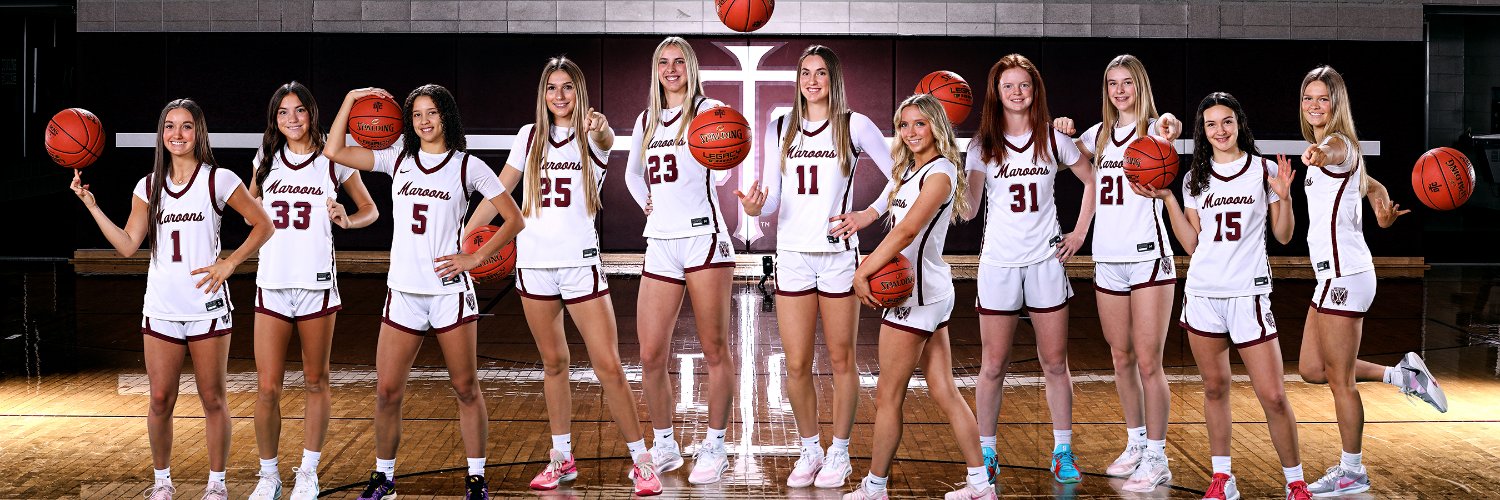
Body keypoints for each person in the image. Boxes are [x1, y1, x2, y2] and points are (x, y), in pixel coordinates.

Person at [464, 56, 662, 496]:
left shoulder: (593, 134)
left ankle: (642, 461)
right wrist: (465, 240)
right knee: (553, 365)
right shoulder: (528, 136)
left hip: (578, 262)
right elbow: (499, 192)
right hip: (533, 264)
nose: (559, 95)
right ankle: (562, 457)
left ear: (580, 92)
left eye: (567, 87)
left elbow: (606, 138)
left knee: (608, 365)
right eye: (552, 87)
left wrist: (601, 128)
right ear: (543, 93)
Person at [324, 84, 524, 500]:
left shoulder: (468, 166)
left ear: (446, 115)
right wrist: (350, 99)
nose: (424, 121)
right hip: (404, 292)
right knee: (386, 391)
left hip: (449, 292)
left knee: (466, 388)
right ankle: (384, 477)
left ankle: (476, 477)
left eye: (432, 112)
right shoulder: (397, 157)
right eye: (416, 114)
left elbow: (514, 219)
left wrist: (474, 257)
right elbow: (334, 151)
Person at [70, 98, 275, 500]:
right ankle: (162, 482)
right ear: (160, 134)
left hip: (206, 307)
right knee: (160, 399)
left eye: (185, 126)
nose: (177, 134)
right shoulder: (147, 186)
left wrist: (230, 263)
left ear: (199, 132)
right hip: (162, 307)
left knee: (212, 398)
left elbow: (263, 224)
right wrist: (92, 206)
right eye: (169, 126)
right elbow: (128, 245)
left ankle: (216, 484)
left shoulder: (219, 180)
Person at [1132, 92, 1311, 500]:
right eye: (1211, 124)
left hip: (1248, 294)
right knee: (1214, 388)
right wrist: (1168, 200)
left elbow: (1284, 235)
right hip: (1204, 294)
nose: (1220, 130)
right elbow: (1192, 244)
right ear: (1203, 131)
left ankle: (1296, 481)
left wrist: (1285, 197)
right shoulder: (1194, 179)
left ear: (1239, 124)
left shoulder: (1264, 169)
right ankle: (1222, 478)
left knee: (1274, 395)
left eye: (1227, 121)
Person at [734, 44, 893, 489]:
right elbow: (773, 199)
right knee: (797, 363)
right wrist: (755, 208)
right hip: (792, 256)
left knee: (842, 360)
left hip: (838, 256)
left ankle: (839, 452)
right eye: (805, 72)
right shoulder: (779, 126)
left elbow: (903, 173)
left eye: (820, 72)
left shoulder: (854, 125)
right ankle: (810, 449)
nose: (812, 80)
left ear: (833, 78)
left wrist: (868, 214)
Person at [1293, 65, 1446, 498]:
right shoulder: (1336, 150)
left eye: (1323, 99)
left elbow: (1335, 153)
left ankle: (1352, 471)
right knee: (1311, 369)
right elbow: (1372, 185)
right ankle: (1403, 376)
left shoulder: (1339, 144)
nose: (1314, 105)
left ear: (1336, 104)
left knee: (1340, 380)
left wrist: (1319, 154)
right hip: (1332, 277)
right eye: (1308, 98)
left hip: (1347, 275)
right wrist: (1382, 211)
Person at [836, 94, 993, 500]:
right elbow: (884, 203)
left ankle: (875, 488)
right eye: (903, 125)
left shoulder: (939, 173)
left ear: (936, 126)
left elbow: (905, 231)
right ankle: (981, 485)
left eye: (919, 124)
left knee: (888, 396)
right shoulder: (910, 169)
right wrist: (862, 217)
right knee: (944, 389)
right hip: (929, 290)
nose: (910, 132)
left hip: (915, 295)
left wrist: (863, 270)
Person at [246, 81, 378, 500]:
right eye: (283, 112)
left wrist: (347, 219)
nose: (292, 119)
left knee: (316, 380)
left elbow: (370, 209)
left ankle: (307, 471)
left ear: (312, 113)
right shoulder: (266, 157)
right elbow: (248, 209)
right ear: (275, 119)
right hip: (272, 281)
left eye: (299, 110)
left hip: (316, 284)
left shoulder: (332, 158)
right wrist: (254, 212)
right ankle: (268, 475)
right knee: (267, 387)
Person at [622, 36, 738, 485]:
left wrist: (719, 157)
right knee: (650, 353)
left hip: (703, 237)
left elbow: (724, 172)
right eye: (663, 62)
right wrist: (645, 201)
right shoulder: (647, 118)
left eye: (679, 62)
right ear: (656, 69)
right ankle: (666, 444)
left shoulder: (711, 110)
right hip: (660, 241)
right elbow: (633, 173)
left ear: (691, 67)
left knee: (714, 349)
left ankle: (715, 445)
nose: (671, 69)